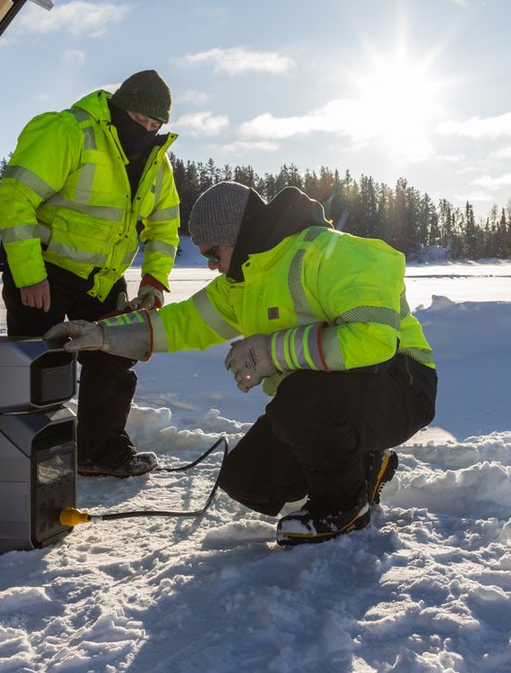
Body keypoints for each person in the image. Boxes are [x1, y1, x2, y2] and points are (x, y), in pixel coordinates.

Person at [45, 181, 438, 546]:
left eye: (213, 253)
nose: (212, 266)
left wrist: (273, 352)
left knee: (302, 396)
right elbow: (180, 323)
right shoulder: (242, 283)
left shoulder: (333, 253)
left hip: (401, 386)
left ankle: (342, 508)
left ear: (237, 234)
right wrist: (104, 336)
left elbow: (374, 342)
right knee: (247, 480)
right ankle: (364, 466)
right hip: (326, 401)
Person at [0, 69, 180, 477]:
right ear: (119, 108)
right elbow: (15, 194)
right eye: (140, 120)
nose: (147, 131)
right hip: (46, 268)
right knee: (39, 363)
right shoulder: (69, 131)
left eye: (155, 126)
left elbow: (165, 225)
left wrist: (153, 279)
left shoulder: (156, 161)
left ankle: (99, 450)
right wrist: (29, 273)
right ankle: (27, 456)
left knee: (115, 354)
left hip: (102, 277)